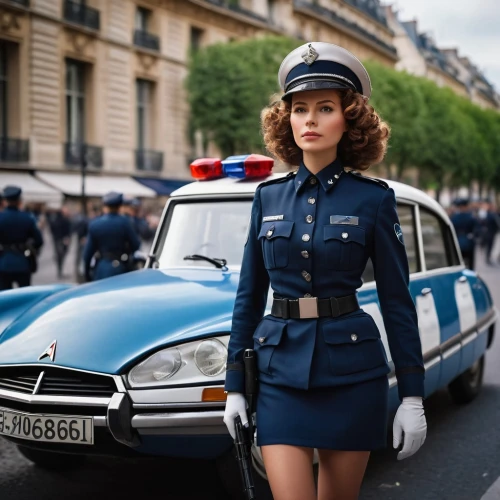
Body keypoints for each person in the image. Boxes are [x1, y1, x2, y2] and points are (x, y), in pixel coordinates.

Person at [222, 42, 427, 500]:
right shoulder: (267, 198)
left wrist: (413, 394)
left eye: (325, 107)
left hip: (351, 374)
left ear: (348, 119)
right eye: (299, 109)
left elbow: (397, 301)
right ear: (286, 120)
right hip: (278, 373)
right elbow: (248, 296)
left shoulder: (373, 199)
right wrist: (234, 384)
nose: (309, 120)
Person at [83, 191, 140, 281]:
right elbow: (136, 245)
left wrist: (87, 273)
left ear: (105, 207)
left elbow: (87, 254)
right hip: (121, 267)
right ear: (119, 206)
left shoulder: (95, 224)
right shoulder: (126, 222)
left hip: (102, 267)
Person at [0, 186, 44, 290]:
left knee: (5, 298)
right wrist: (29, 249)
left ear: (5, 201)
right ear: (19, 201)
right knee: (25, 297)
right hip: (23, 263)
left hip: (3, 263)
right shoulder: (27, 218)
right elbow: (39, 241)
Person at [450, 198, 478, 270]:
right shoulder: (471, 217)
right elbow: (477, 230)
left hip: (457, 241)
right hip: (469, 241)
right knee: (470, 263)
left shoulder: (454, 217)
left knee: (458, 262)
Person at [47, 205, 72, 279]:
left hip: (60, 239)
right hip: (60, 239)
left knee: (61, 254)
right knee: (60, 255)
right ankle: (60, 270)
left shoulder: (61, 219)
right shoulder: (61, 220)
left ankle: (60, 270)